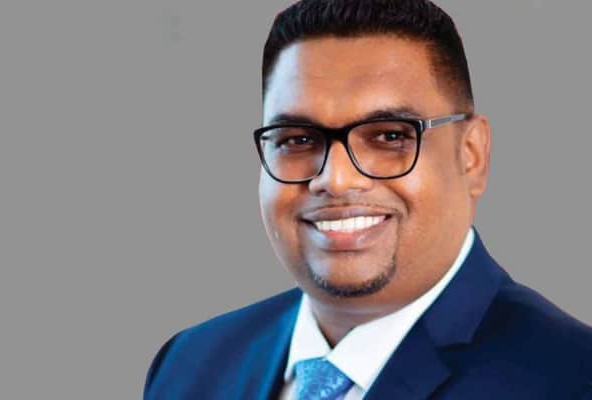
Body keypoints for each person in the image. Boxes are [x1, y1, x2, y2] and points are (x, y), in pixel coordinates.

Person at [144, 0, 592, 398]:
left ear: (471, 155)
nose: (336, 180)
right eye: (297, 139)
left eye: (390, 136)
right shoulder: (189, 366)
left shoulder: (572, 378)